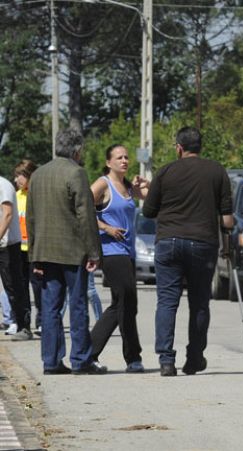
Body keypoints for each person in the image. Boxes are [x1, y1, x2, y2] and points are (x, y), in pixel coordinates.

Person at [142, 127, 232, 377]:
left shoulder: (166, 171)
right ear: (200, 147)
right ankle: (194, 358)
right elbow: (227, 219)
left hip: (168, 242)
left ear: (179, 148)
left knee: (167, 301)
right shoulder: (217, 171)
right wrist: (228, 243)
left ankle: (166, 359)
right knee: (200, 302)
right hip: (203, 243)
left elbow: (148, 211)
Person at [27, 128, 106, 375]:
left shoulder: (38, 175)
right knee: (78, 304)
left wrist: (34, 256)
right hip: (73, 252)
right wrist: (94, 252)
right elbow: (85, 214)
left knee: (50, 308)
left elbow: (30, 217)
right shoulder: (76, 172)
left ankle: (51, 361)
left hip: (46, 252)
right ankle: (81, 360)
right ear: (77, 150)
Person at [89, 144, 148, 373]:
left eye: (126, 157)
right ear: (108, 163)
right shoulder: (103, 184)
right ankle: (133, 358)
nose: (124, 160)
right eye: (119, 157)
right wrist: (105, 227)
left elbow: (153, 202)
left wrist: (146, 185)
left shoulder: (127, 186)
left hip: (128, 252)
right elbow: (82, 208)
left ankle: (87, 353)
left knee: (121, 305)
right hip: (112, 252)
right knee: (127, 303)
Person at [0, 174, 32, 341]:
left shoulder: (3, 185)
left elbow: (7, 214)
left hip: (7, 244)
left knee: (13, 287)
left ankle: (23, 326)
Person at [13, 160, 41, 335]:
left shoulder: (38, 196)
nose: (17, 180)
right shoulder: (16, 197)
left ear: (30, 175)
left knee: (39, 289)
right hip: (19, 251)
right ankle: (24, 324)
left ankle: (42, 322)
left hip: (36, 250)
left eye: (20, 176)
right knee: (21, 289)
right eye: (16, 176)